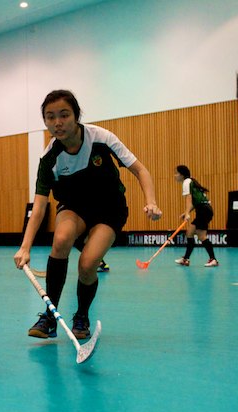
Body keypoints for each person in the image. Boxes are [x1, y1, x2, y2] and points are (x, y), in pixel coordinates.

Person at [14, 89, 162, 339]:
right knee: (60, 240)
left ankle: (81, 315)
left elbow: (140, 170)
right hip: (73, 207)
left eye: (64, 115)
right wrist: (25, 246)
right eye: (50, 117)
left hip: (109, 209)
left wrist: (151, 202)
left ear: (76, 115)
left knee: (88, 264)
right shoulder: (49, 158)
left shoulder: (101, 138)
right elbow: (38, 207)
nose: (57, 123)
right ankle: (50, 315)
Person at [173, 164, 218, 267]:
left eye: (176, 173)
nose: (175, 176)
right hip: (204, 210)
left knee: (201, 236)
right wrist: (186, 212)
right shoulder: (191, 181)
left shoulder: (186, 182)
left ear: (182, 175)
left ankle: (213, 259)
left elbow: (189, 198)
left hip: (203, 211)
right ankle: (186, 259)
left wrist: (188, 213)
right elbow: (195, 201)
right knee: (189, 233)